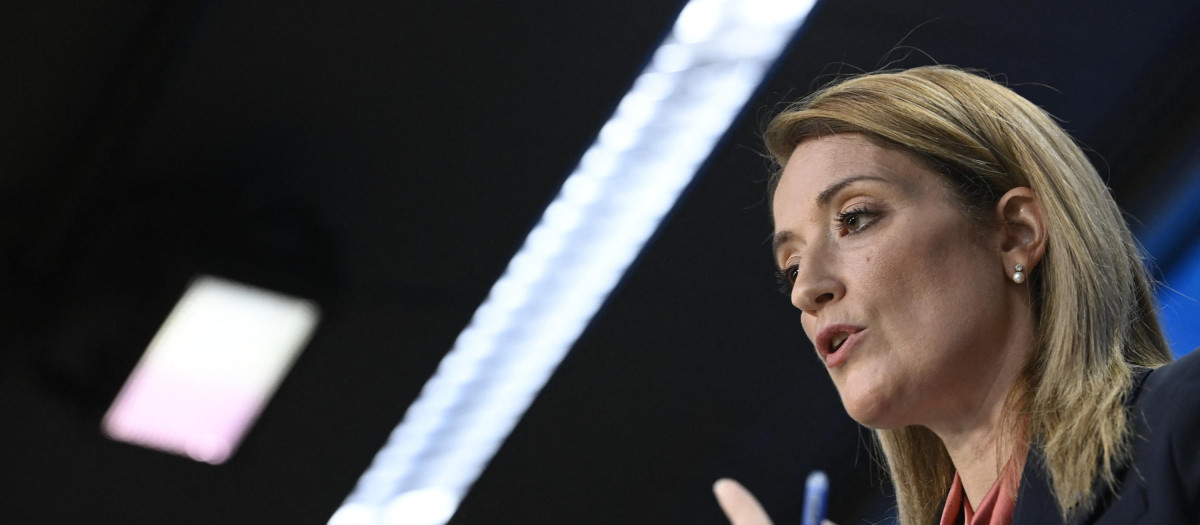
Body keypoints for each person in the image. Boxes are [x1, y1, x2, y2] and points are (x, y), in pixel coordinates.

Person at [713, 65, 1200, 524]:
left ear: (1016, 232)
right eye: (791, 266)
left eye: (855, 218)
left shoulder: (1185, 424)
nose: (805, 289)